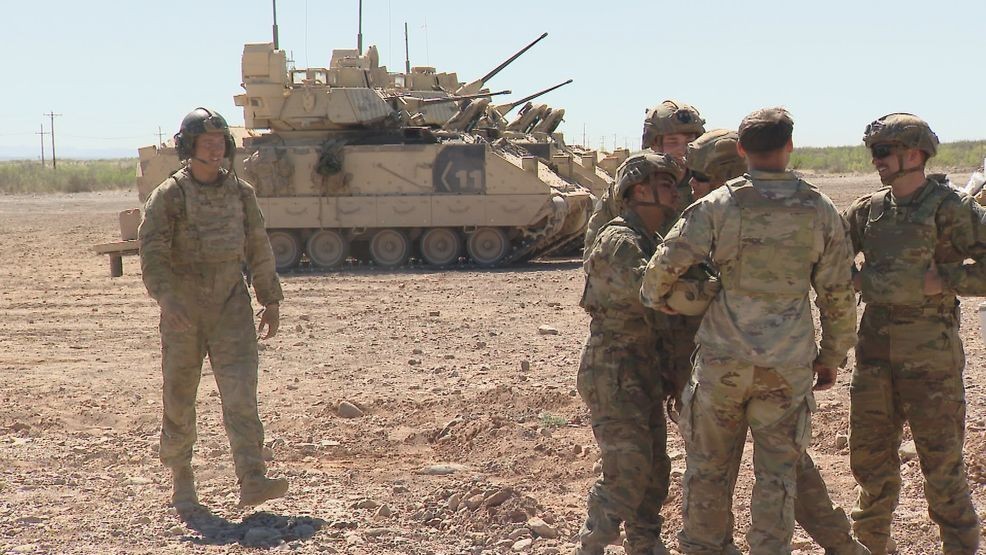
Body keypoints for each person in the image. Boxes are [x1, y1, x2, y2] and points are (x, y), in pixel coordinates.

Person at [640, 107, 858, 554]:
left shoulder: (718, 206)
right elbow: (838, 294)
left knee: (708, 470)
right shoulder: (819, 208)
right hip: (787, 366)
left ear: (742, 150)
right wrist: (831, 358)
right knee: (778, 477)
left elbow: (661, 269)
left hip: (723, 366)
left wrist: (663, 298)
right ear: (789, 146)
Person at [844, 113, 983, 555]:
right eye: (874, 152)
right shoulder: (867, 211)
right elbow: (827, 257)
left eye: (884, 151)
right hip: (874, 359)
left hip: (932, 363)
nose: (876, 160)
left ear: (914, 154)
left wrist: (947, 280)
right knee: (870, 465)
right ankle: (871, 545)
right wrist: (849, 278)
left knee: (943, 468)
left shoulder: (951, 209)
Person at [138, 107, 288, 509]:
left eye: (220, 142)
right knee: (179, 396)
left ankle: (252, 478)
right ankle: (182, 478)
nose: (215, 149)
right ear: (189, 147)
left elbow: (258, 247)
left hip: (230, 307)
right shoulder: (169, 196)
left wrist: (270, 298)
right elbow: (152, 253)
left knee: (241, 396)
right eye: (206, 143)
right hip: (184, 310)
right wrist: (166, 298)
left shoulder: (241, 194)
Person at [575, 152, 686, 555]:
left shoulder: (648, 239)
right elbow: (653, 294)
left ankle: (644, 543)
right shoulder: (619, 241)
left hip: (641, 368)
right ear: (639, 191)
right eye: (665, 183)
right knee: (628, 470)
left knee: (654, 468)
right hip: (614, 370)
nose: (674, 191)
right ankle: (591, 544)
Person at [584, 99, 705, 252]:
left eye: (690, 142)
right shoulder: (634, 181)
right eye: (672, 142)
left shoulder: (706, 180)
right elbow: (596, 240)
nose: (683, 150)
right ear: (654, 144)